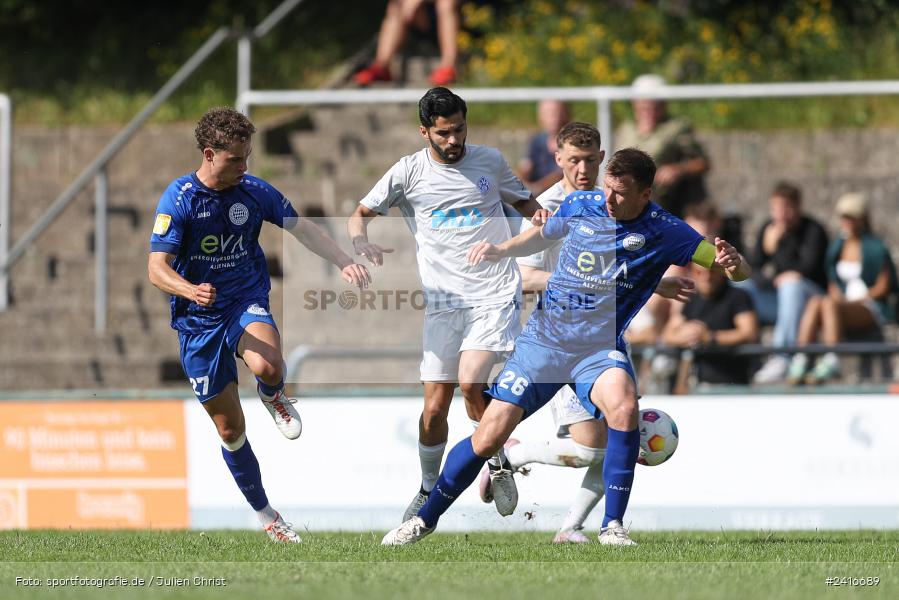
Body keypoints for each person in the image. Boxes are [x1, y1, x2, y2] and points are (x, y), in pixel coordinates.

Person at [381, 148, 750, 546]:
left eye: (620, 193)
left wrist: (734, 262)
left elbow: (734, 270)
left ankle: (612, 527)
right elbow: (543, 233)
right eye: (607, 188)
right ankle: (424, 520)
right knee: (489, 436)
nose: (607, 198)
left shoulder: (668, 230)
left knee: (624, 407)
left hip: (597, 349)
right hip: (544, 341)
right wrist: (503, 250)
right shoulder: (581, 203)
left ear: (645, 195)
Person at [148, 107, 370, 543]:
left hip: (243, 299)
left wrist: (343, 260)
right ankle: (268, 515)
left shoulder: (252, 191)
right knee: (230, 431)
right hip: (197, 320)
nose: (245, 167)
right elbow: (157, 267)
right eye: (236, 159)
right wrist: (190, 289)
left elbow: (301, 227)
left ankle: (273, 395)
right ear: (210, 154)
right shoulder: (179, 199)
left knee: (269, 365)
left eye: (248, 157)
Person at [347, 87, 549, 523]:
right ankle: (430, 485)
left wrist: (540, 218)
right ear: (425, 132)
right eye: (443, 133)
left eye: (459, 130)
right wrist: (361, 241)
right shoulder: (407, 173)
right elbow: (359, 213)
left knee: (471, 382)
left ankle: (493, 461)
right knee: (435, 408)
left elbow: (524, 202)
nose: (454, 140)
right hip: (443, 304)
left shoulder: (490, 162)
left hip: (493, 294)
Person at [489, 122, 695, 543]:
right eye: (574, 160)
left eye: (590, 160)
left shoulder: (610, 203)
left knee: (620, 427)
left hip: (607, 339)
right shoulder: (545, 207)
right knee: (590, 448)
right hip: (559, 337)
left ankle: (572, 527)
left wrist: (655, 280)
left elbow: (616, 268)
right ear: (558, 159)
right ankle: (515, 453)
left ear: (602, 160)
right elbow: (520, 275)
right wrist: (575, 285)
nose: (583, 169)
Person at [787, 193, 898, 385]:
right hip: (844, 304)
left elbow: (883, 286)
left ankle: (832, 358)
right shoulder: (837, 247)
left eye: (850, 217)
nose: (845, 222)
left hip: (870, 306)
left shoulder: (875, 247)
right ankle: (801, 357)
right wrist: (839, 297)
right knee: (816, 302)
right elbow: (833, 281)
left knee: (829, 304)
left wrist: (856, 300)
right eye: (843, 217)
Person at [745, 182, 829, 384]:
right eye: (775, 208)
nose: (780, 214)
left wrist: (776, 249)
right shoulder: (768, 228)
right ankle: (744, 358)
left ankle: (783, 356)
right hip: (780, 297)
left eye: (786, 208)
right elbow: (753, 269)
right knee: (742, 287)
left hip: (809, 298)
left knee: (791, 286)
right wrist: (773, 279)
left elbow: (806, 269)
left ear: (798, 206)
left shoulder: (814, 230)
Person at [615, 74, 710, 218]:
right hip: (624, 196)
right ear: (635, 104)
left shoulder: (676, 128)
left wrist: (677, 170)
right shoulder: (626, 129)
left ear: (664, 104)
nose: (650, 109)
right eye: (645, 105)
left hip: (660, 198)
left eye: (656, 105)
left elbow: (702, 163)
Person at [353, 0, 459, 87]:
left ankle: (449, 66)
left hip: (457, 16)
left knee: (446, 3)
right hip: (420, 19)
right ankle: (382, 66)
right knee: (396, 6)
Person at [516, 100, 570, 197]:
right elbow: (525, 167)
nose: (554, 117)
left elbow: (563, 174)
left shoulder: (573, 143)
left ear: (566, 114)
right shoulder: (537, 140)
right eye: (549, 113)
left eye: (557, 112)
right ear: (540, 117)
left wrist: (536, 188)